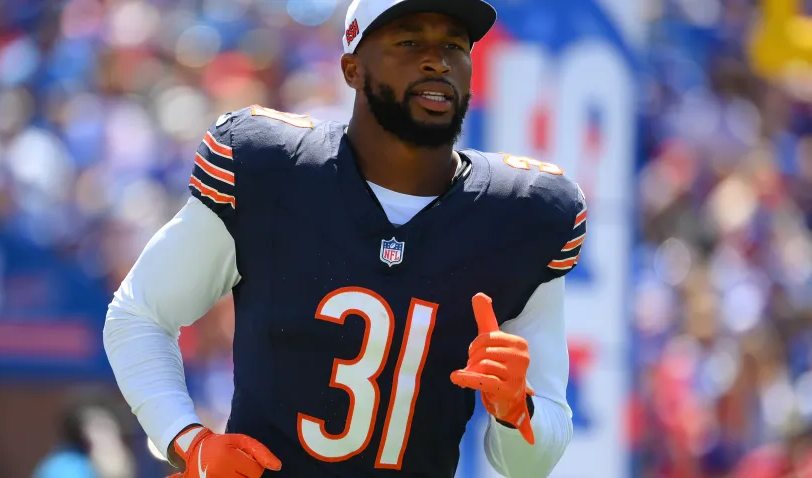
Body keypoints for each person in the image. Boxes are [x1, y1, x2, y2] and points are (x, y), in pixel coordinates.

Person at [103, 0, 585, 476]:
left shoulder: (523, 212)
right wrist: (188, 440)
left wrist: (516, 409)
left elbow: (530, 463)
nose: (437, 60)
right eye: (410, 41)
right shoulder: (273, 169)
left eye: (455, 45)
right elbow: (139, 314)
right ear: (352, 68)